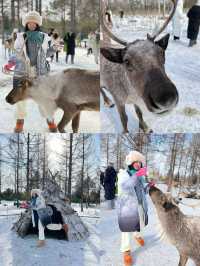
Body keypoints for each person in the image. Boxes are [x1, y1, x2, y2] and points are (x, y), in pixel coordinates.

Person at [13, 11, 57, 132]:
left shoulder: (43, 37)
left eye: (34, 23)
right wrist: (13, 61)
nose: (32, 25)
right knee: (20, 98)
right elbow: (17, 53)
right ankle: (20, 121)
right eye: (29, 23)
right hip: (24, 70)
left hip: (40, 71)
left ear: (38, 24)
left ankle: (50, 120)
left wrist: (54, 50)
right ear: (26, 24)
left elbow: (46, 54)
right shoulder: (21, 36)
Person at [117, 151, 150, 266]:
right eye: (136, 162)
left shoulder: (140, 177)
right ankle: (126, 250)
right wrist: (137, 175)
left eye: (140, 163)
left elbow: (143, 190)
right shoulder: (124, 174)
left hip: (140, 204)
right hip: (127, 207)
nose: (138, 165)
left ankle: (137, 235)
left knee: (140, 223)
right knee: (127, 229)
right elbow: (125, 187)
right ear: (131, 163)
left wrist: (148, 185)